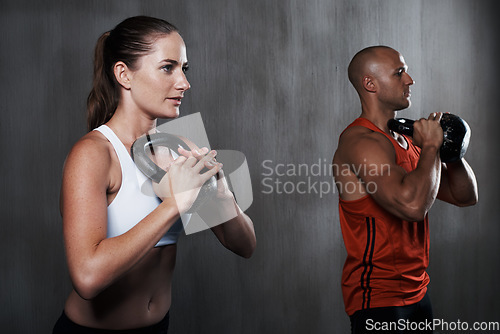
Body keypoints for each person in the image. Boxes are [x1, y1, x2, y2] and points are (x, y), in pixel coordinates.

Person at [53, 16, 256, 333]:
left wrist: (223, 195)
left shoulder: (181, 146)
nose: (184, 83)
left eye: (184, 69)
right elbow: (87, 279)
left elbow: (244, 246)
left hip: (159, 327)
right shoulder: (94, 154)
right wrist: (175, 203)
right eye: (168, 67)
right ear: (124, 75)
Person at [332, 45, 478, 333]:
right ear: (370, 84)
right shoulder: (361, 142)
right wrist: (432, 146)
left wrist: (451, 152)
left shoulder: (406, 140)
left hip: (418, 290)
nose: (409, 79)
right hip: (378, 299)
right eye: (399, 73)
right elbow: (412, 207)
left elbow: (465, 196)